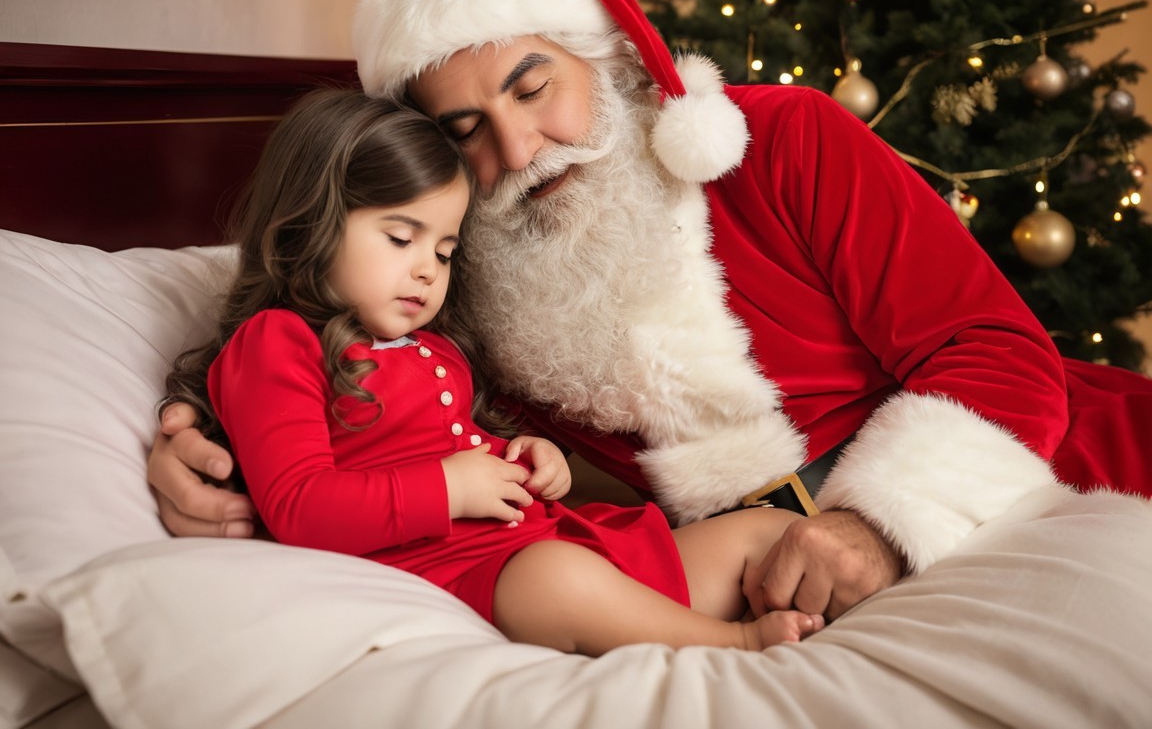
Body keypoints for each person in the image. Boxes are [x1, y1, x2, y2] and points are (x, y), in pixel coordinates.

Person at [150, 0, 1152, 622]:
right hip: (751, 572)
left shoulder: (786, 140)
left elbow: (991, 350)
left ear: (612, 58)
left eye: (535, 86)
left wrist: (878, 528)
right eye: (469, 131)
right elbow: (338, 355)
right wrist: (200, 430)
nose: (522, 149)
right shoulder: (465, 276)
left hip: (1039, 475)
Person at [164, 86, 824, 655]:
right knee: (557, 583)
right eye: (401, 238)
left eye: (445, 249)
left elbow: (464, 446)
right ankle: (733, 646)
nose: (427, 269)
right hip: (478, 578)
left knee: (775, 535)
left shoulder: (438, 347)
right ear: (312, 224)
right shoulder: (277, 343)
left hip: (557, 541)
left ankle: (696, 615)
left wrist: (527, 456)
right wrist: (447, 490)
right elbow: (299, 508)